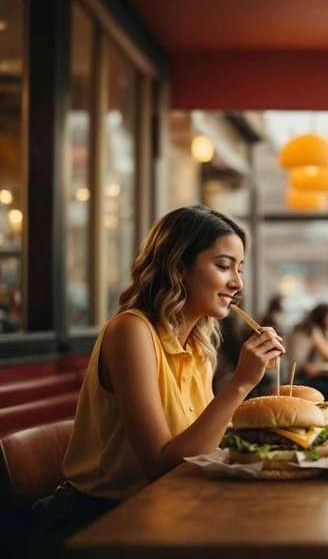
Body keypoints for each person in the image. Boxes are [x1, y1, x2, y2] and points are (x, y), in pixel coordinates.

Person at [31, 206, 284, 556]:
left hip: (171, 508)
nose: (237, 283)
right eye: (223, 266)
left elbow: (199, 445)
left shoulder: (199, 344)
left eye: (239, 269)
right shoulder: (131, 331)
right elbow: (161, 466)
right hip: (100, 521)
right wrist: (240, 384)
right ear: (178, 266)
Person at [286, 303, 328, 376]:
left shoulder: (310, 328)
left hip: (299, 374)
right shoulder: (312, 330)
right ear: (324, 317)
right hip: (299, 376)